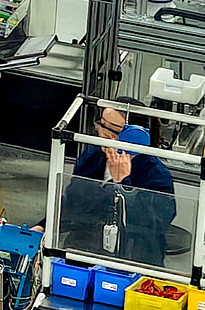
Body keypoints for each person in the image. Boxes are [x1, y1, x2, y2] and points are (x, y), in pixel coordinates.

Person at [60, 105, 177, 266]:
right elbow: (73, 202)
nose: (99, 131)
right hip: (85, 251)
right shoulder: (93, 155)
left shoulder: (157, 175)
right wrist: (44, 226)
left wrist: (123, 184)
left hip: (132, 260)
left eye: (107, 129)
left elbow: (152, 224)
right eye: (100, 124)